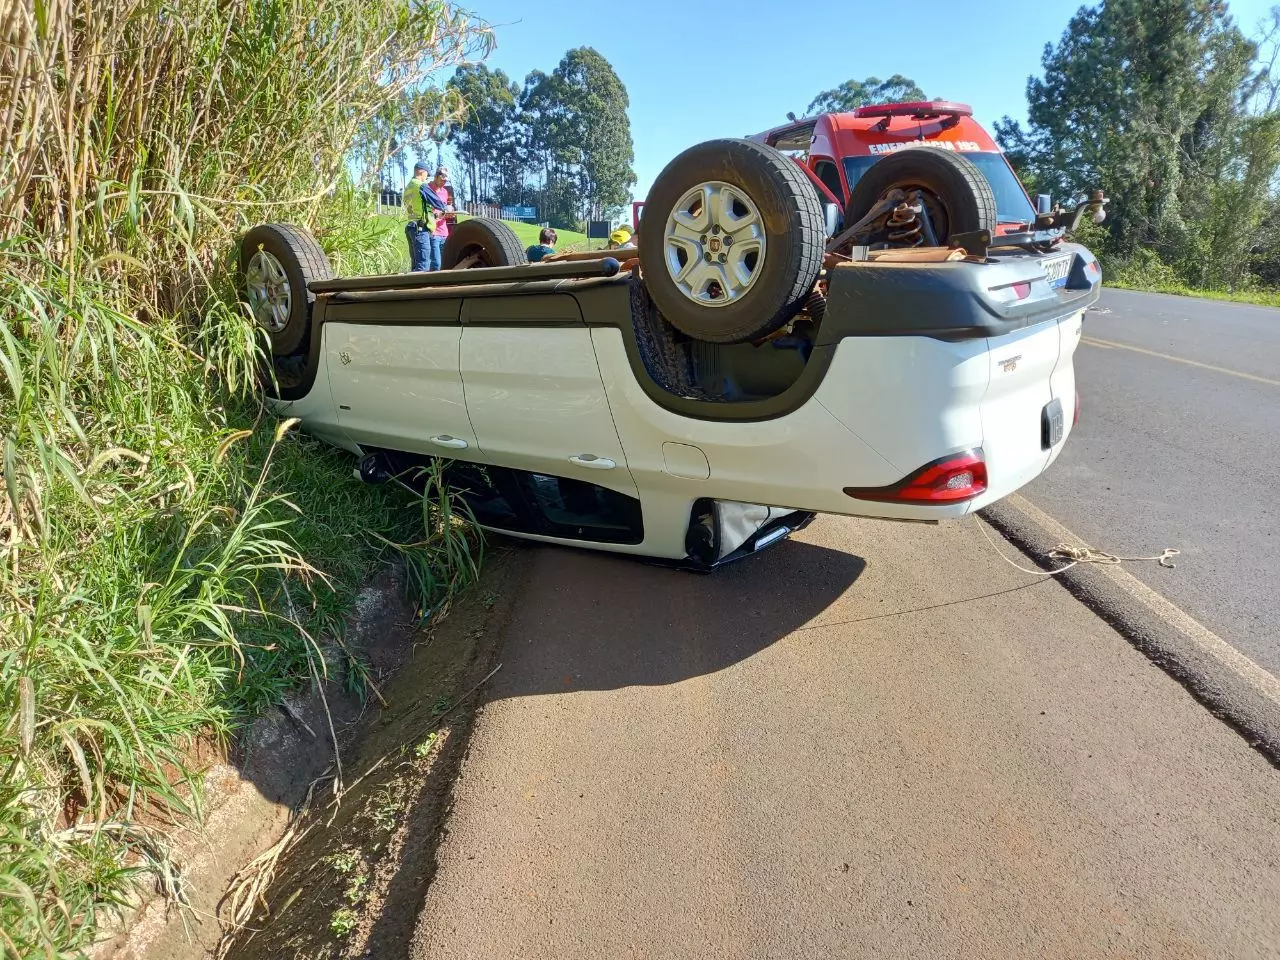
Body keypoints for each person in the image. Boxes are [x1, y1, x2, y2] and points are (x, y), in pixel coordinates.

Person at [402, 162, 451, 271]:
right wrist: (446, 208)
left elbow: (417, 205)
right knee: (423, 266)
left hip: (411, 227)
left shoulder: (409, 186)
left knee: (415, 265)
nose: (426, 178)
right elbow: (435, 200)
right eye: (426, 175)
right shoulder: (420, 185)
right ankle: (419, 287)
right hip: (420, 229)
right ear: (422, 172)